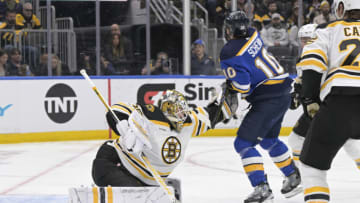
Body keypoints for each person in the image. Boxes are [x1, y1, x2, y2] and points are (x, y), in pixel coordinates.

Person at [91, 89, 238, 202]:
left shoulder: (188, 122)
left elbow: (210, 116)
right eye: (177, 110)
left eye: (183, 110)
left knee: (141, 196)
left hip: (146, 181)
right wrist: (123, 126)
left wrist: (228, 102)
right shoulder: (151, 115)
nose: (182, 115)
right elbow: (116, 110)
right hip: (114, 163)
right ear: (166, 109)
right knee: (136, 198)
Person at [220, 11, 301, 203]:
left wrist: (229, 87)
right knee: (268, 139)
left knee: (243, 143)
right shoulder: (253, 33)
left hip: (267, 97)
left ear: (230, 29)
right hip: (283, 89)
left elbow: (242, 86)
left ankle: (262, 188)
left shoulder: (229, 51)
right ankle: (293, 175)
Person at [297, 0, 360, 202]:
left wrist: (310, 99)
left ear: (341, 8)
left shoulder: (327, 29)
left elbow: (312, 65)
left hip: (340, 101)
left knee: (311, 168)